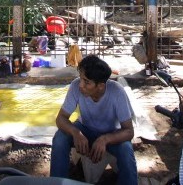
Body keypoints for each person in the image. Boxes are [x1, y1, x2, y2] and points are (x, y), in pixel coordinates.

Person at [50, 55, 138, 184]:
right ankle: (55, 182)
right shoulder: (75, 86)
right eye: (80, 78)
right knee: (59, 138)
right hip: (85, 129)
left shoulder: (117, 92)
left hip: (111, 132)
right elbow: (61, 119)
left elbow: (129, 131)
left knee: (126, 149)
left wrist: (105, 139)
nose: (81, 85)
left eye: (86, 82)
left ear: (101, 86)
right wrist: (76, 133)